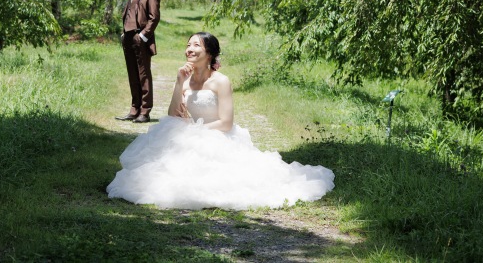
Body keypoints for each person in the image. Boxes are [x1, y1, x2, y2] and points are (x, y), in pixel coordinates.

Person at [107, 32, 335, 210]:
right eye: (188, 44)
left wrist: (196, 133)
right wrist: (178, 82)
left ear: (209, 53)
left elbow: (226, 123)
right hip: (190, 134)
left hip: (217, 136)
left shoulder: (221, 81)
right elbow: (173, 115)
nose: (190, 49)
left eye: (196, 45)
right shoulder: (185, 79)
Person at [115, 0, 161, 124]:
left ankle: (145, 112)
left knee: (143, 75)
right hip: (128, 38)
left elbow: (154, 17)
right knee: (132, 75)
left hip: (140, 38)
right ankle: (134, 110)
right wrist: (124, 33)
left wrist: (143, 36)